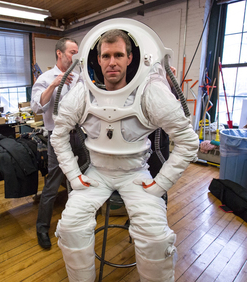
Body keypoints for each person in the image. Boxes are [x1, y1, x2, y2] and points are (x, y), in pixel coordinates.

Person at [50, 29, 199, 281]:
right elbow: (58, 135)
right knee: (69, 228)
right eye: (106, 55)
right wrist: (74, 176)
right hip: (96, 173)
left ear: (131, 58)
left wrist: (160, 184)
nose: (112, 62)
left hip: (135, 174)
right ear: (96, 59)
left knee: (156, 238)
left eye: (119, 55)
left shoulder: (150, 92)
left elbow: (188, 142)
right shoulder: (83, 92)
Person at [31, 37, 87, 249]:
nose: (76, 56)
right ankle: (42, 228)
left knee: (80, 178)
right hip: (57, 137)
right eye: (73, 52)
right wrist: (55, 84)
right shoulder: (46, 78)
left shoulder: (81, 78)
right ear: (60, 54)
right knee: (53, 184)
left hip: (78, 135)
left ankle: (76, 222)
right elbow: (36, 107)